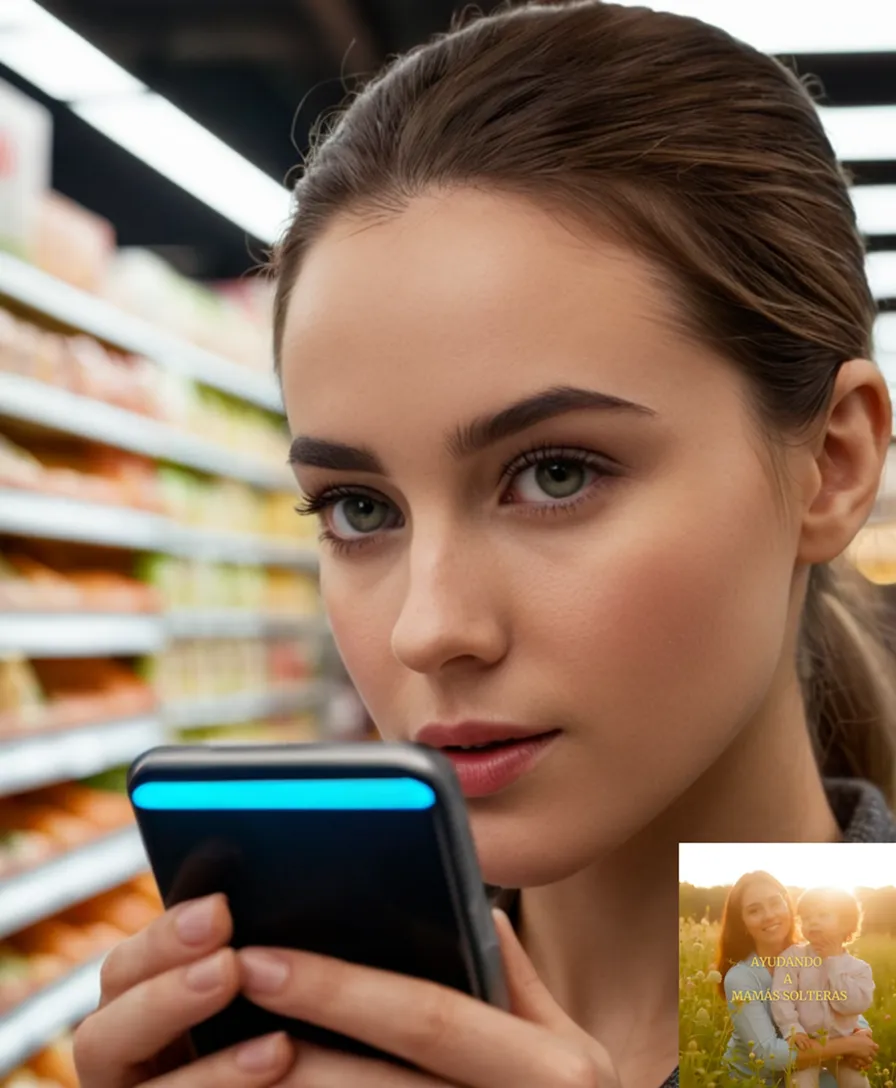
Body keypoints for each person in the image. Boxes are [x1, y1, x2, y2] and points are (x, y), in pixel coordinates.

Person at [73, 2, 896, 1087]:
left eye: (555, 473)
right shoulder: (315, 1045)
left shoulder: (820, 1010)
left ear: (830, 465)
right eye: (358, 508)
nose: (429, 627)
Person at [715, 873, 878, 1086]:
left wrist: (861, 1032)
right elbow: (768, 1053)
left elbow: (840, 1002)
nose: (769, 915)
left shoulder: (814, 952)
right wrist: (849, 1045)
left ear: (789, 907)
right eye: (754, 910)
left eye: (775, 903)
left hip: (811, 1063)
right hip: (757, 1079)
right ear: (743, 922)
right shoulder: (741, 977)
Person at [770, 886, 875, 1088]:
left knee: (858, 1083)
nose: (813, 922)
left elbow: (852, 1006)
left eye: (822, 915)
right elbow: (781, 997)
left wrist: (833, 962)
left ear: (846, 923)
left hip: (844, 1049)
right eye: (806, 918)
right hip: (807, 1044)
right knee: (800, 1084)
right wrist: (793, 1030)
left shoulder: (859, 969)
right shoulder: (792, 957)